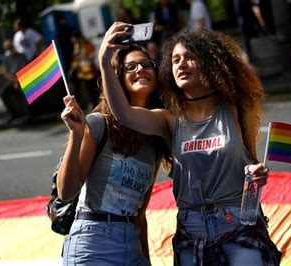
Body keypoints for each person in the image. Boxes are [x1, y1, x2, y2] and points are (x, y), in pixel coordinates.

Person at [99, 23, 281, 265]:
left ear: (209, 63)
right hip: (191, 231)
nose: (181, 65)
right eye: (175, 60)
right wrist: (104, 61)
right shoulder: (169, 119)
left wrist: (255, 173)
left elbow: (252, 162)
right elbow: (123, 114)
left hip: (238, 223)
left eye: (190, 57)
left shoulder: (237, 108)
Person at [57, 43, 171, 265]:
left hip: (131, 245)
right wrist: (76, 135)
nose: (140, 70)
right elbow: (66, 192)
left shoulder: (156, 138)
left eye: (146, 64)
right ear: (117, 78)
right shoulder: (99, 124)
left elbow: (140, 214)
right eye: (131, 67)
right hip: (93, 243)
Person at [0, 40, 29, 124]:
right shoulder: (6, 59)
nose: (10, 50)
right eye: (7, 49)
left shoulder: (21, 56)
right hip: (13, 81)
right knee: (3, 93)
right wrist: (14, 81)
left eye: (11, 47)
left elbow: (24, 69)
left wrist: (18, 81)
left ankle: (27, 114)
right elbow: (5, 72)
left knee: (24, 92)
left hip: (22, 79)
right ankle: (13, 114)